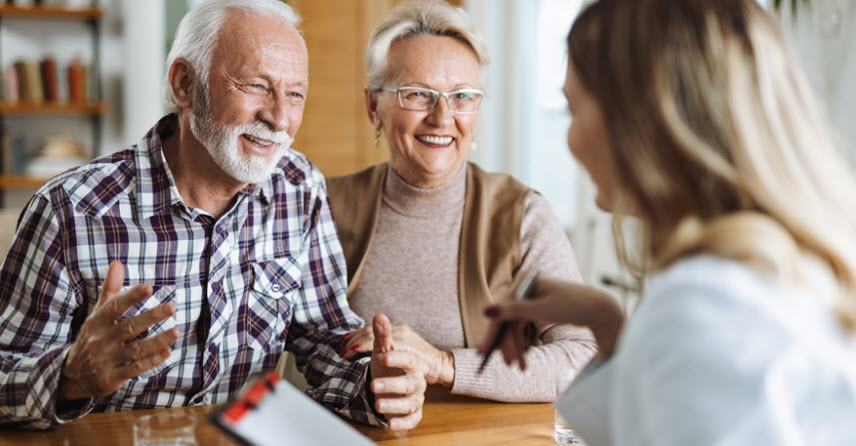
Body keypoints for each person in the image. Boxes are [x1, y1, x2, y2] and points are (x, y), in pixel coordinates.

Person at [0, 0, 427, 431]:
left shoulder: (298, 187)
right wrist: (70, 377)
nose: (280, 118)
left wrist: (373, 384)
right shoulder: (71, 209)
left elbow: (325, 338)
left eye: (295, 93)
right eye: (256, 86)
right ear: (185, 84)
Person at [481, 0, 856, 444]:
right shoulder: (768, 275)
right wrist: (610, 326)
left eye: (573, 108)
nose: (571, 139)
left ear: (638, 118)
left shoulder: (706, 308)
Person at [329, 0, 596, 402]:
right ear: (373, 106)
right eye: (417, 94)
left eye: (462, 96)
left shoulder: (523, 215)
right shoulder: (322, 207)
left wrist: (442, 364)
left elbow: (584, 359)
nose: (442, 116)